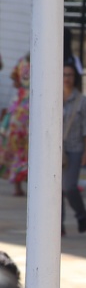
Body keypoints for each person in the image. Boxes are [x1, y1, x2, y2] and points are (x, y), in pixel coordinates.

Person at [62, 62, 86, 233]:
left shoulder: (83, 102)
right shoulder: (52, 97)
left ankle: (81, 214)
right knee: (55, 187)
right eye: (64, 74)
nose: (66, 78)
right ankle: (57, 224)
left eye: (70, 75)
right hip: (56, 150)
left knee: (69, 187)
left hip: (75, 149)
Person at [0, 55, 28, 196]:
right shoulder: (45, 61)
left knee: (16, 147)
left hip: (19, 109)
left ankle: (18, 185)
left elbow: (15, 83)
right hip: (30, 108)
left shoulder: (21, 61)